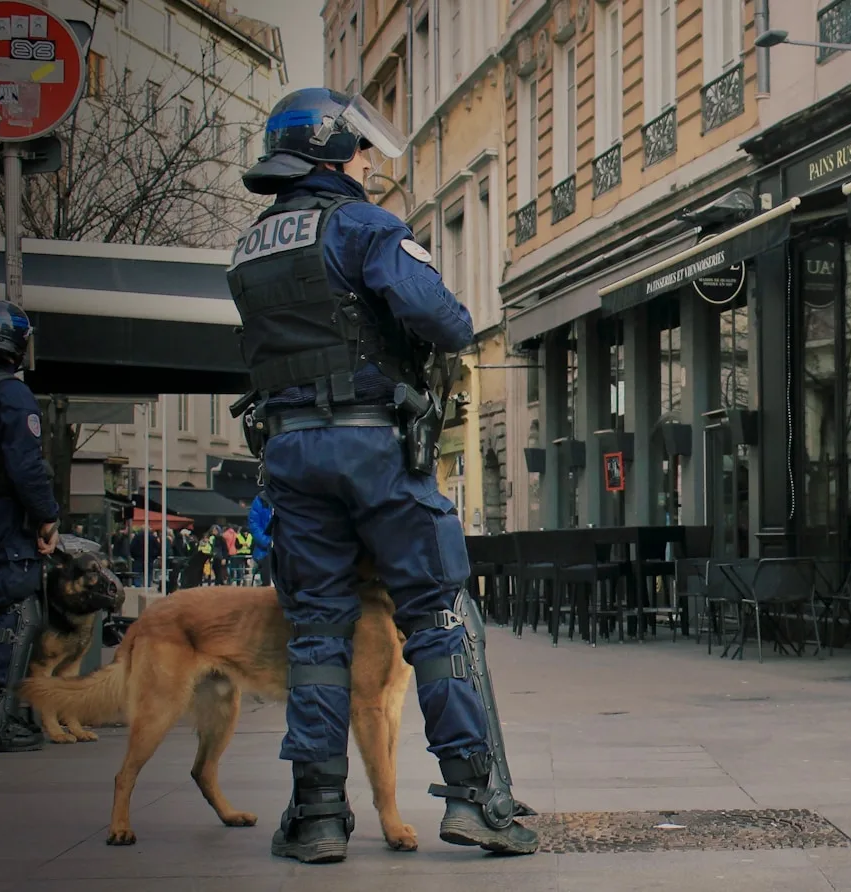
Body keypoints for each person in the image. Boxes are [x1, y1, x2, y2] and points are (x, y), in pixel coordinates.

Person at [226, 87, 537, 863]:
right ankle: (474, 798)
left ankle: (320, 817)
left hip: (289, 453)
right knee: (437, 616)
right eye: (361, 150)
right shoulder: (365, 226)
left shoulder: (255, 243)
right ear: (333, 152)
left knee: (318, 630)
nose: (370, 162)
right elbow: (446, 322)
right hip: (371, 446)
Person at [0, 301, 60, 753]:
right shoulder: (12, 397)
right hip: (3, 525)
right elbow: (26, 467)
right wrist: (46, 515)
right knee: (16, 612)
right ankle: (0, 718)